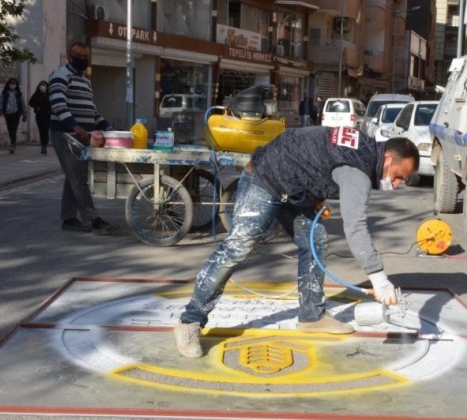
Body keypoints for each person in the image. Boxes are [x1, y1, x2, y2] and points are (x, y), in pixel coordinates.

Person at [174, 126, 420, 358]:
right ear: (387, 156)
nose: (396, 184)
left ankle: (312, 317)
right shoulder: (358, 171)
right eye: (398, 176)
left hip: (292, 188)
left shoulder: (364, 150)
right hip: (265, 178)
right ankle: (190, 321)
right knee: (239, 246)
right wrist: (377, 276)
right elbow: (355, 226)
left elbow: (316, 159)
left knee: (316, 239)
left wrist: (310, 194)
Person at [48, 42, 114, 235]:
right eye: (79, 56)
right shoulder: (60, 75)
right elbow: (59, 106)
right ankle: (92, 219)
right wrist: (77, 129)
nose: (82, 59)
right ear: (70, 56)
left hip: (81, 135)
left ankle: (68, 219)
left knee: (74, 177)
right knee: (78, 177)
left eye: (86, 57)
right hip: (65, 134)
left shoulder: (85, 81)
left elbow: (92, 112)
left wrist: (108, 129)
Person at [0, 78, 27, 154]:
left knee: (13, 129)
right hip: (7, 114)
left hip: (16, 113)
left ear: (16, 85)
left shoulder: (18, 94)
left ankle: (12, 144)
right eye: (11, 83)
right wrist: (0, 110)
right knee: (10, 129)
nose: (12, 85)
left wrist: (24, 114)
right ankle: (12, 143)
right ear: (8, 84)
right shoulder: (5, 93)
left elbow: (22, 104)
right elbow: (1, 101)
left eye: (14, 83)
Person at [28, 80, 52, 154]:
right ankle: (43, 145)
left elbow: (53, 104)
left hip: (47, 116)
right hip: (39, 115)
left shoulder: (50, 95)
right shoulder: (36, 94)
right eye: (41, 85)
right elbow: (30, 102)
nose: (42, 86)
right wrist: (36, 107)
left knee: (45, 130)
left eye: (44, 85)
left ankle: (45, 145)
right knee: (41, 131)